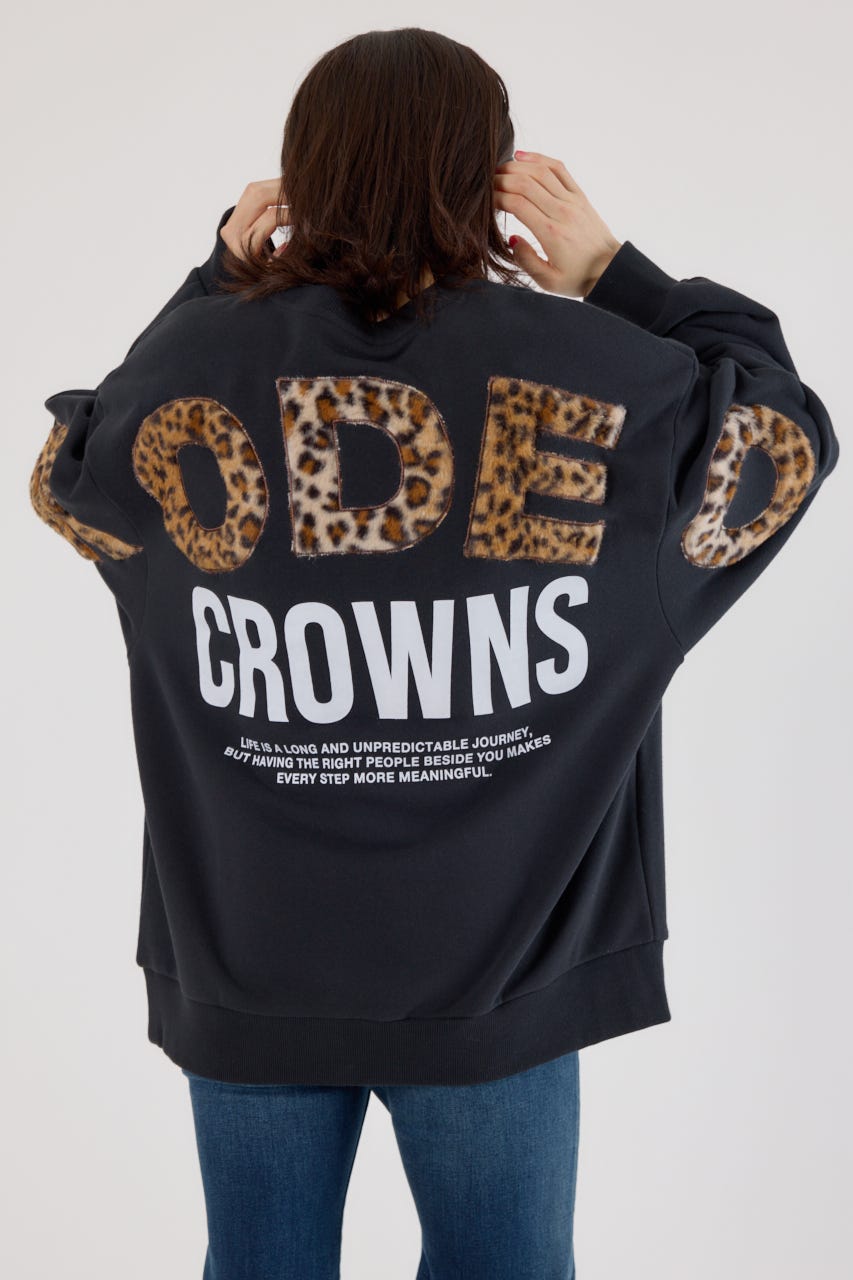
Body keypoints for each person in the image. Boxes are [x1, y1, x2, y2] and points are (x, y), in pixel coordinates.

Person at [29, 26, 840, 1280]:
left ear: (304, 173)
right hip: (498, 974)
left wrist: (211, 282)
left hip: (249, 956)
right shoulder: (601, 379)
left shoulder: (193, 377)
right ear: (488, 179)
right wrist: (616, 274)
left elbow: (73, 472)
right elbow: (780, 439)